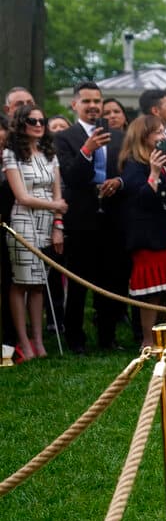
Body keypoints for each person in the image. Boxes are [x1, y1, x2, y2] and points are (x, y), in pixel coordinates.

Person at [54, 80, 129, 353]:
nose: (93, 106)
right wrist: (87, 149)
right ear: (75, 105)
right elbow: (71, 177)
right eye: (87, 101)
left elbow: (131, 172)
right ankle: (75, 339)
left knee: (110, 281)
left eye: (97, 101)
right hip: (81, 220)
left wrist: (119, 182)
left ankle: (108, 337)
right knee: (78, 284)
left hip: (112, 219)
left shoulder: (119, 136)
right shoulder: (64, 138)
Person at [2, 105, 68, 362]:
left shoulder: (50, 153)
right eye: (33, 120)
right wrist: (56, 206)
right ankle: (24, 342)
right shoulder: (11, 154)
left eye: (43, 120)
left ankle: (39, 342)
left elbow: (58, 192)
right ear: (21, 123)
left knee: (39, 284)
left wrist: (58, 225)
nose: (39, 124)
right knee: (21, 282)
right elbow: (22, 196)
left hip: (47, 221)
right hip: (22, 220)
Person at [119, 115, 166, 349]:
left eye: (164, 132)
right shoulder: (133, 164)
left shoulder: (164, 160)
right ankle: (147, 341)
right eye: (158, 132)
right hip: (147, 238)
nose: (163, 136)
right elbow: (141, 200)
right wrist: (155, 173)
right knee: (151, 291)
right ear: (143, 136)